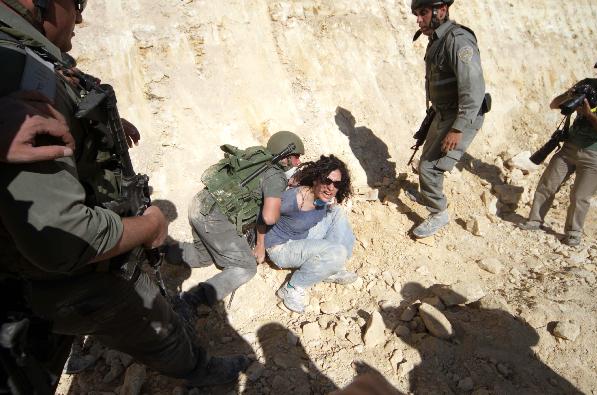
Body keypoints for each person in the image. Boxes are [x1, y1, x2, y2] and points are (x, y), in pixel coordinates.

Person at [0, 0, 248, 389]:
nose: (80, 16)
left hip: (39, 276)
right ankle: (197, 369)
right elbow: (65, 241)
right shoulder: (22, 76)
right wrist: (151, 226)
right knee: (156, 328)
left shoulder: (28, 57)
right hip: (80, 275)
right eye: (75, 3)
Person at [175, 131, 305, 307]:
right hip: (214, 218)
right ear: (285, 156)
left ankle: (156, 251)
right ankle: (191, 302)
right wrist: (279, 201)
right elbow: (269, 216)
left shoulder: (257, 156)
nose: (298, 162)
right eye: (296, 157)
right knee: (246, 267)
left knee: (203, 256)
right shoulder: (276, 177)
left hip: (200, 204)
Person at [407, 0, 487, 238]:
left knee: (430, 167)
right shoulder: (437, 39)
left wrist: (458, 128)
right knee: (425, 160)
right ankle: (429, 194)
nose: (418, 19)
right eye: (416, 14)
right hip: (442, 113)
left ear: (441, 10)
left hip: (461, 116)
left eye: (422, 13)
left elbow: (473, 90)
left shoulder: (458, 40)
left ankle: (438, 212)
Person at [519, 59, 597, 246]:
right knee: (547, 184)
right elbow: (554, 104)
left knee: (580, 196)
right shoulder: (588, 85)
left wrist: (588, 114)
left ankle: (573, 232)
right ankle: (534, 220)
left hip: (595, 155)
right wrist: (570, 95)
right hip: (570, 147)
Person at [264, 154, 357, 313]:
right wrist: (259, 246)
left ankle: (328, 268)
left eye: (336, 183)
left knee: (337, 213)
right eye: (327, 181)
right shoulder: (294, 198)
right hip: (281, 248)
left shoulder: (322, 198)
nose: (330, 187)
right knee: (337, 252)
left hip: (301, 235)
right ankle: (292, 288)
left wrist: (329, 202)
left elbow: (328, 205)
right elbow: (264, 218)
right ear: (316, 179)